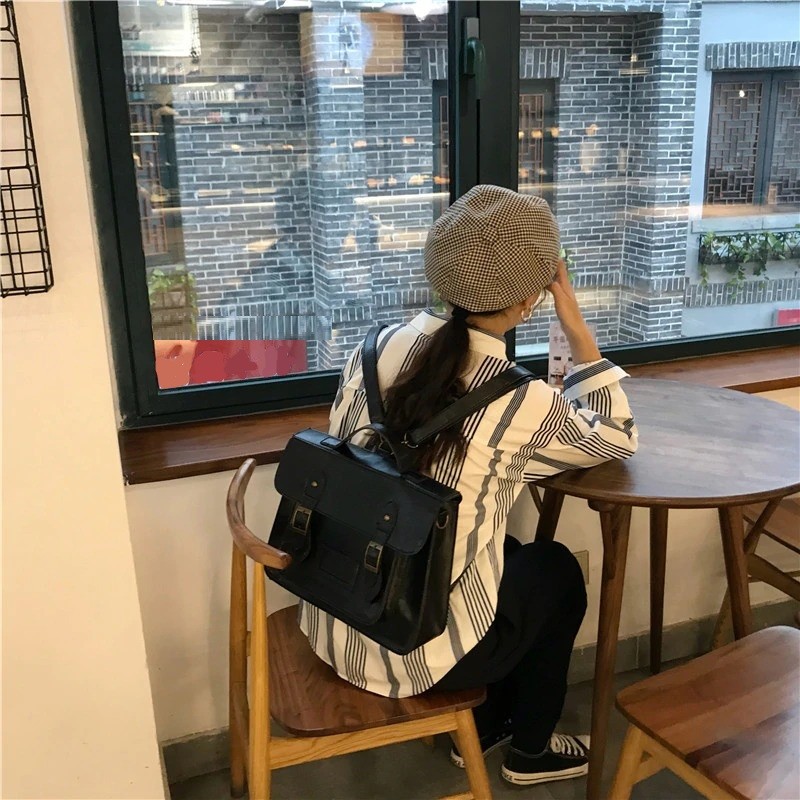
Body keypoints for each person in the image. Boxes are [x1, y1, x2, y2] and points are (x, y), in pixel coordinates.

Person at [298, 184, 638, 787]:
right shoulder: (516, 399)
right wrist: (576, 326)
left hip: (337, 609)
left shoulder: (372, 348)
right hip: (413, 649)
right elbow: (616, 436)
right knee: (555, 572)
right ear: (531, 297)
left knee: (505, 554)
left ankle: (482, 729)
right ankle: (529, 750)